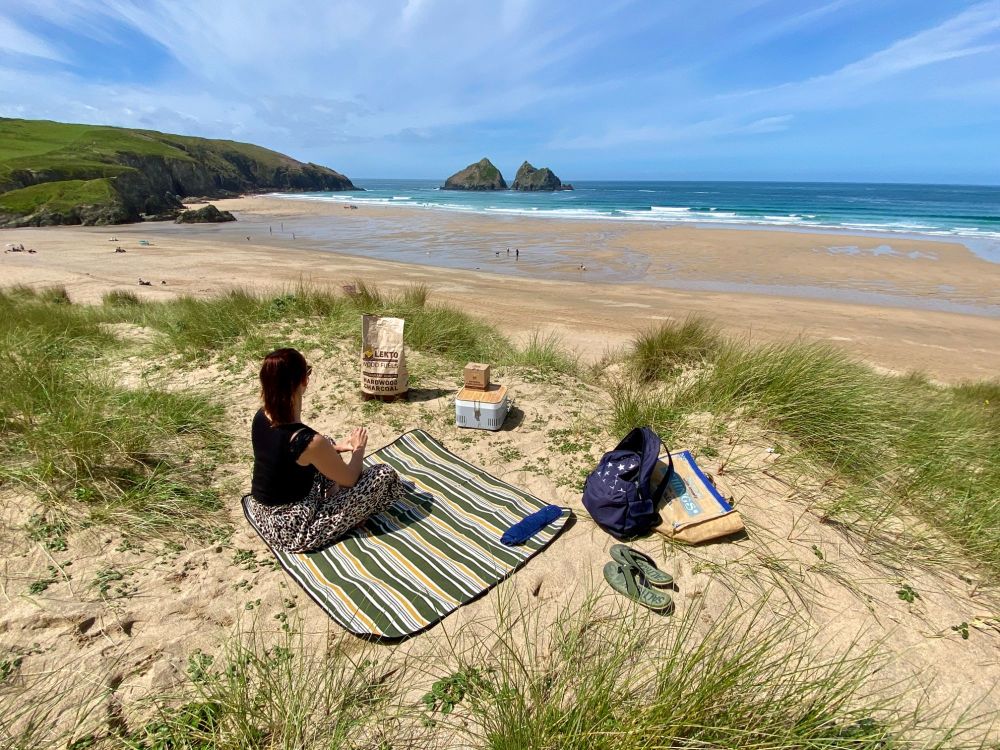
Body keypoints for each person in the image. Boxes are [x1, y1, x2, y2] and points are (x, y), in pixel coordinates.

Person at [245, 348, 400, 552]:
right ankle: (346, 517)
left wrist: (333, 448)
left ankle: (335, 499)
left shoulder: (261, 416)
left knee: (326, 442)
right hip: (292, 530)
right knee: (384, 476)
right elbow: (351, 479)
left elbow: (284, 456)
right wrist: (358, 448)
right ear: (304, 381)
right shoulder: (306, 440)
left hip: (262, 513)